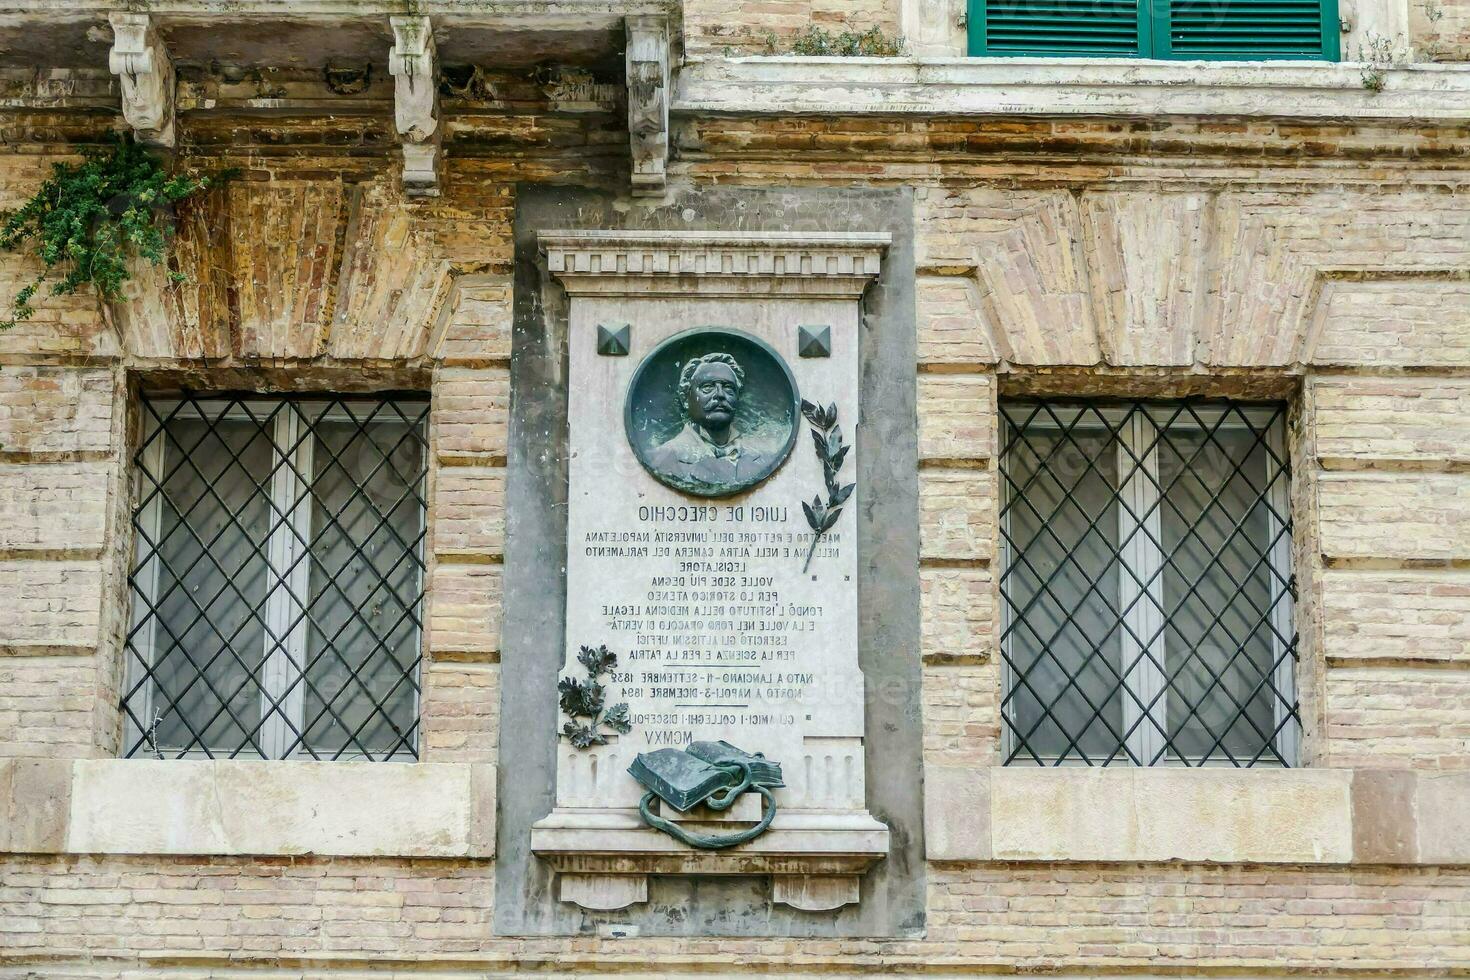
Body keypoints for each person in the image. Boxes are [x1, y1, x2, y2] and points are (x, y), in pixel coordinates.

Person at [646, 351, 767, 493]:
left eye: (728, 388)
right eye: (708, 387)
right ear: (685, 399)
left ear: (737, 397)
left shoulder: (763, 458)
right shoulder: (662, 458)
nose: (720, 394)